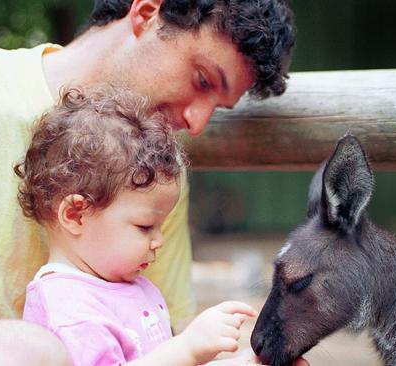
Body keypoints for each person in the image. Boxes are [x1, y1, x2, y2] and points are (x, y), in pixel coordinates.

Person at [0, 0, 307, 365]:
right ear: (146, 14)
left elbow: (157, 343)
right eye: (202, 79)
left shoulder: (154, 181)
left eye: (217, 108)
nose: (198, 123)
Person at [17, 86, 261, 365]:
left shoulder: (126, 285)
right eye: (145, 226)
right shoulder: (66, 307)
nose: (159, 241)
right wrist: (188, 347)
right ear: (75, 215)